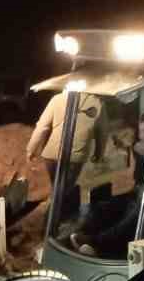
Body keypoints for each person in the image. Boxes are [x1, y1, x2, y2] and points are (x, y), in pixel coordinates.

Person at [26, 88, 103, 220]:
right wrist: (98, 152)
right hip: (75, 156)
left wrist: (31, 149)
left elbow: (42, 127)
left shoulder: (57, 99)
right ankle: (53, 221)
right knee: (63, 189)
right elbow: (102, 132)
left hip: (51, 155)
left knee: (58, 187)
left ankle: (54, 220)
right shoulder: (97, 103)